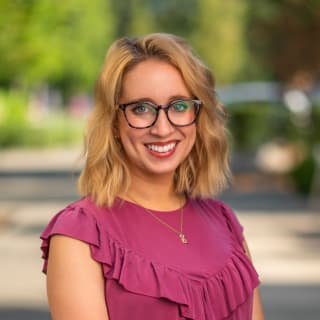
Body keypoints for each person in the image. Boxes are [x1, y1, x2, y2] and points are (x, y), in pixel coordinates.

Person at [40, 33, 264, 320]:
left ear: (199, 116)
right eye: (141, 108)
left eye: (179, 106)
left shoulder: (225, 223)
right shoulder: (80, 235)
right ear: (114, 122)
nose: (162, 128)